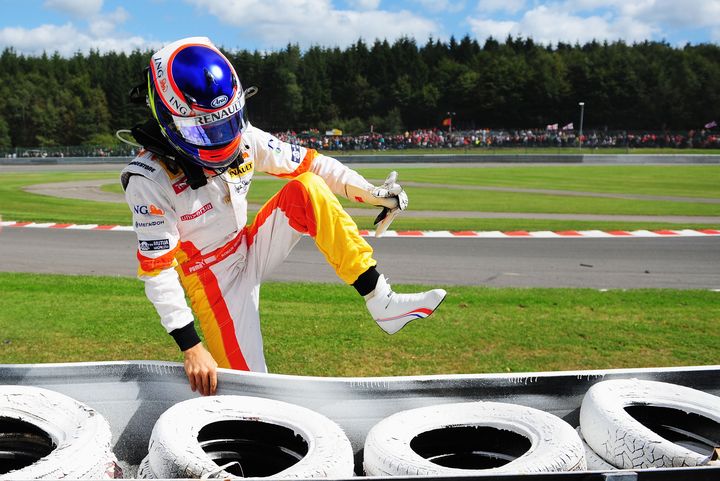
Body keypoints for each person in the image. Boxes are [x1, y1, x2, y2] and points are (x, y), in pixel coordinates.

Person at [120, 37, 446, 396]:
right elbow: (158, 270)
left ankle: (381, 299)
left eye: (226, 123)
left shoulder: (243, 138)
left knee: (307, 186)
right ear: (169, 119)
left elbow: (313, 163)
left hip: (248, 244)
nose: (221, 138)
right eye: (204, 129)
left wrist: (372, 193)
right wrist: (191, 346)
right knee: (251, 391)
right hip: (211, 280)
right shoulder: (148, 178)